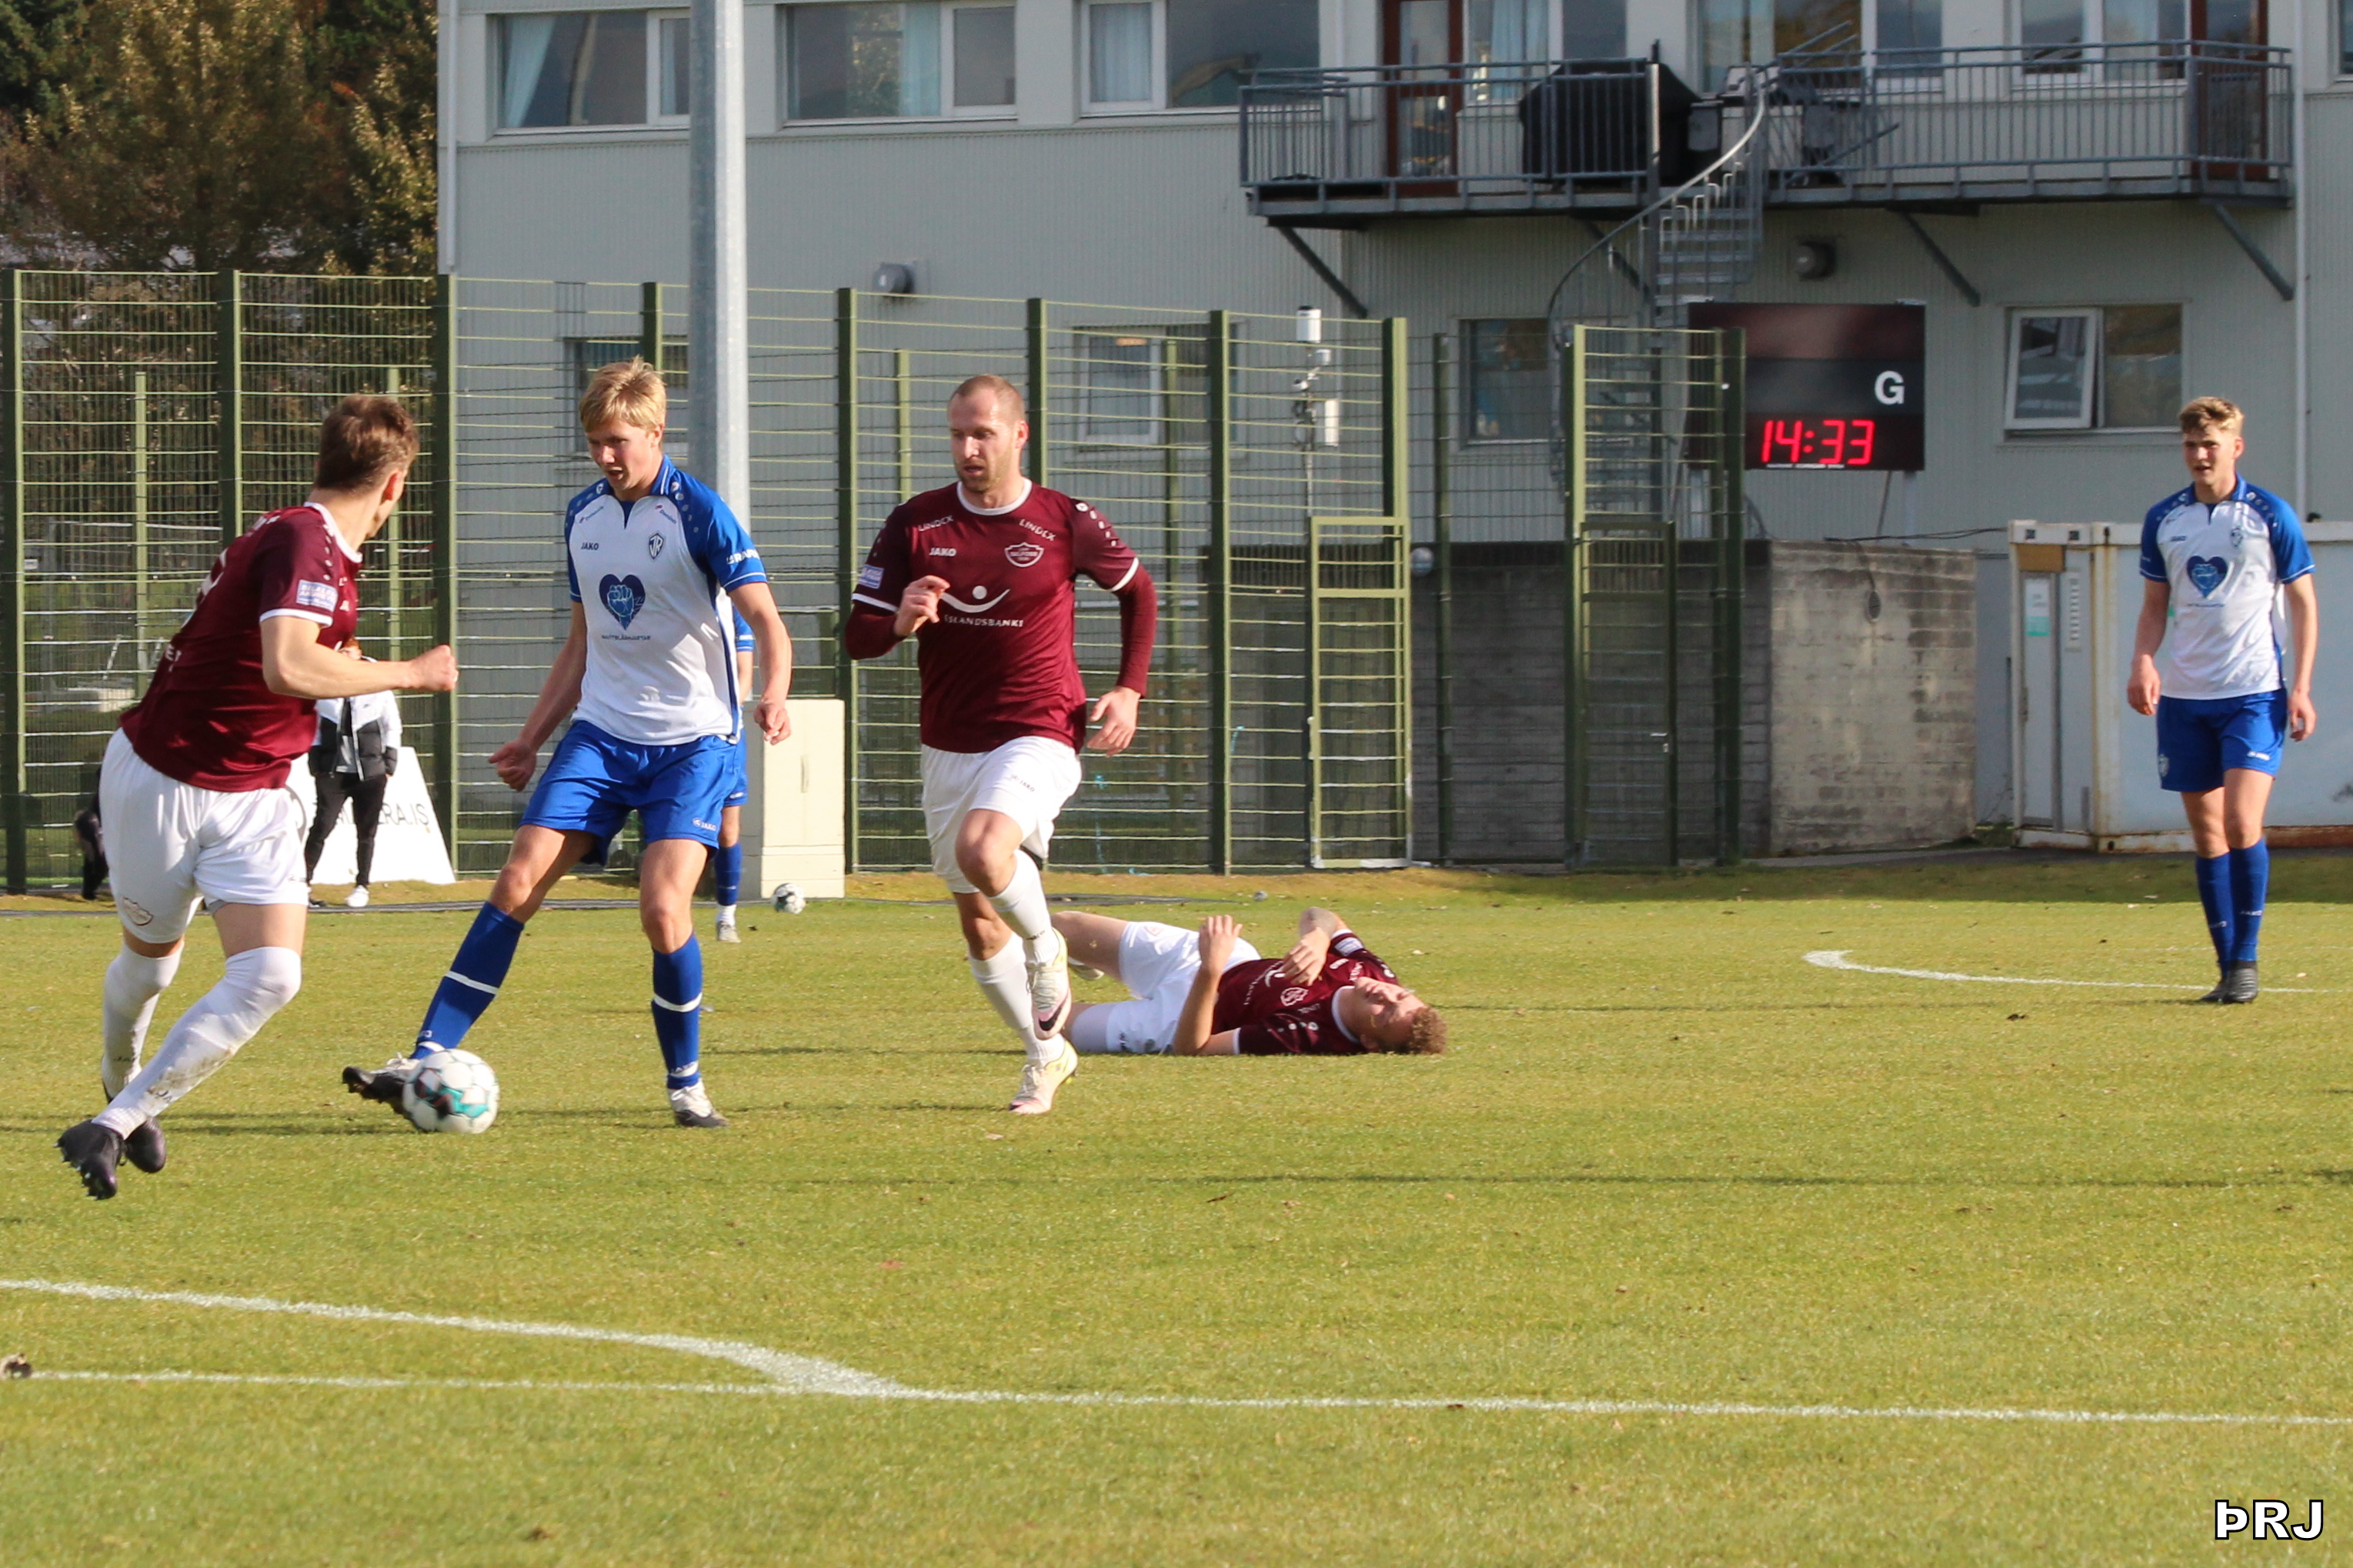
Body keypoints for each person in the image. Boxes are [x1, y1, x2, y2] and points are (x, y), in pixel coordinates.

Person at [343, 359, 791, 1128]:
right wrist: (530, 737)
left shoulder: (701, 513)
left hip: (693, 744)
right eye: (594, 442)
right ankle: (422, 1059)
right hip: (603, 736)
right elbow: (583, 642)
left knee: (662, 909)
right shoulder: (583, 517)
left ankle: (686, 1085)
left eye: (618, 441)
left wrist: (773, 691)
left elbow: (768, 622)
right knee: (516, 880)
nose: (605, 456)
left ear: (656, 432)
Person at [55, 396, 457, 1199]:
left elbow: (287, 660)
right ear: (396, 485)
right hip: (164, 776)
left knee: (273, 972)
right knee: (149, 969)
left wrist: (350, 662)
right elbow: (288, 666)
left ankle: (115, 1122)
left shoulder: (315, 546)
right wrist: (410, 672)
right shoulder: (306, 540)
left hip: (257, 792)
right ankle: (117, 1080)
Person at [844, 373, 1156, 1114]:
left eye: (982, 433)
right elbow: (856, 637)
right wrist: (898, 621)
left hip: (1041, 727)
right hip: (950, 741)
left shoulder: (1065, 520)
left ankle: (1047, 947)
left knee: (986, 851)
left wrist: (1129, 689)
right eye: (958, 434)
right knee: (982, 926)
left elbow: (1139, 592)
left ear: (1019, 434)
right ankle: (1047, 1055)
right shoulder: (916, 523)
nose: (968, 449)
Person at [2126, 395, 2318, 1005]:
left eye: (2211, 444)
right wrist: (2143, 661)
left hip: (2254, 693)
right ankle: (2225, 965)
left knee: (2241, 822)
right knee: (2208, 835)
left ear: (2236, 446)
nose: (2200, 455)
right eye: (2191, 445)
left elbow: (2304, 604)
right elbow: (2154, 606)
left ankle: (2247, 961)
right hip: (2185, 698)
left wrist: (2301, 687)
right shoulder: (2164, 518)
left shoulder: (2270, 514)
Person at [1054, 906, 1446, 1056]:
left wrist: (1210, 970)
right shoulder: (1374, 973)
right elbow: (1322, 914)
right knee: (1060, 926)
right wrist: (1318, 936)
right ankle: (1075, 955)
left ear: (1369, 1042)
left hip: (1177, 1018)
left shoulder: (1306, 1035)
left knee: (1043, 1021)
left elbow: (1194, 1047)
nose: (1385, 994)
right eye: (1401, 995)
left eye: (1385, 1012)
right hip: (1229, 959)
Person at [304, 643, 402, 909]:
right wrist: (316, 763)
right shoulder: (323, 684)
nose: (343, 657)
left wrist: (389, 764)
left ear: (358, 653)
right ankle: (303, 884)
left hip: (370, 772)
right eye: (338, 653)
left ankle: (361, 886)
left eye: (347, 652)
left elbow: (391, 725)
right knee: (322, 825)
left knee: (366, 830)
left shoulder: (377, 683)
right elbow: (314, 727)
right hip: (333, 771)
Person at [714, 609, 756, 942]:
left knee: (728, 831)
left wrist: (719, 717)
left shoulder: (734, 613)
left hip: (721, 735)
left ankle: (726, 916)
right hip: (665, 734)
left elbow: (744, 676)